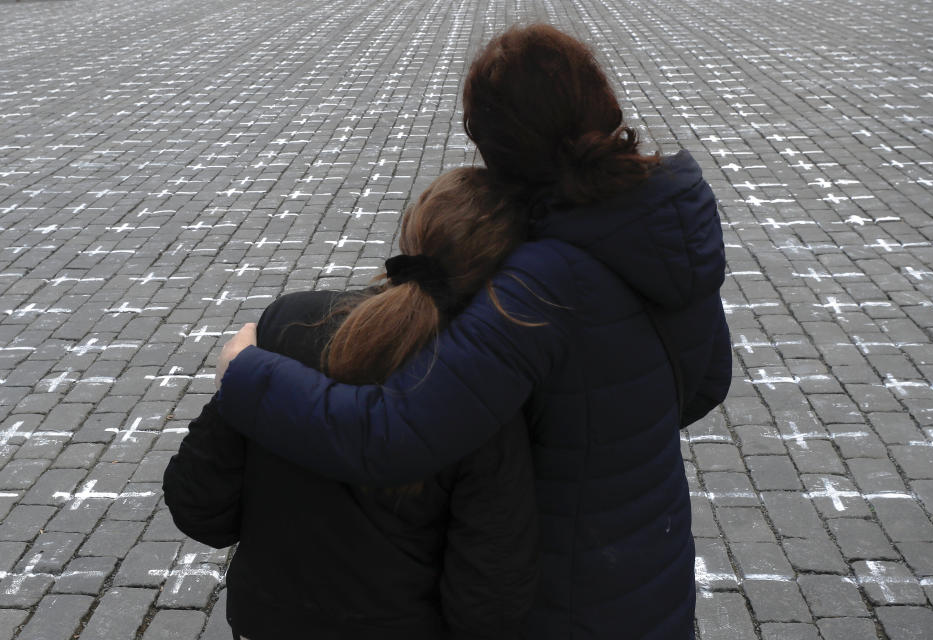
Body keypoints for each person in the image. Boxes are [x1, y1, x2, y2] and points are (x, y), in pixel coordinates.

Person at [216, 24, 731, 640]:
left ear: (499, 153)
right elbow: (706, 383)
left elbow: (395, 432)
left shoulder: (540, 286)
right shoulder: (662, 218)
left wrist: (248, 373)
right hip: (654, 574)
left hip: (569, 602)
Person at [163, 168, 540, 640]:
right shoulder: (482, 392)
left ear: (411, 231)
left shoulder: (288, 323)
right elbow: (490, 602)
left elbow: (198, 505)